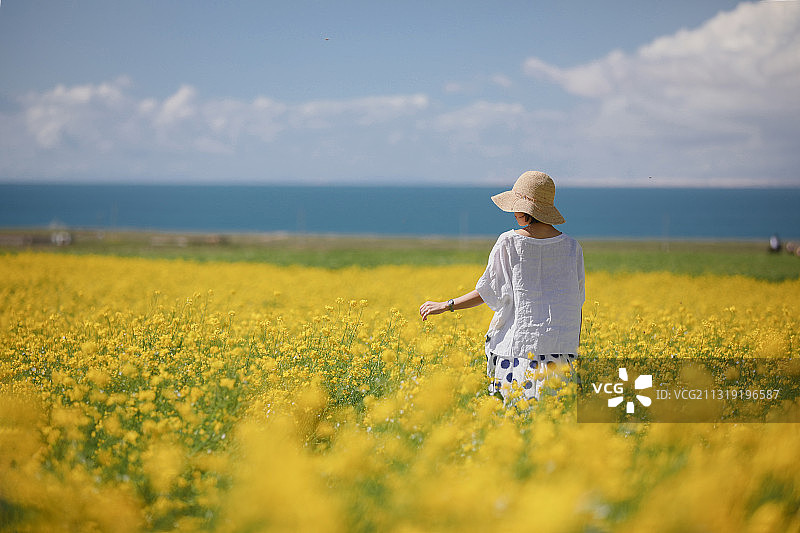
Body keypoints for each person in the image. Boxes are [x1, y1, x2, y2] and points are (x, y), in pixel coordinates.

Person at [419, 171, 585, 403]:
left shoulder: (509, 242)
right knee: (555, 423)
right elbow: (576, 303)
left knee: (516, 421)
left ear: (522, 210)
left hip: (518, 349)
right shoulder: (571, 247)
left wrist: (447, 305)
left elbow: (488, 292)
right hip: (561, 350)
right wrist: (572, 348)